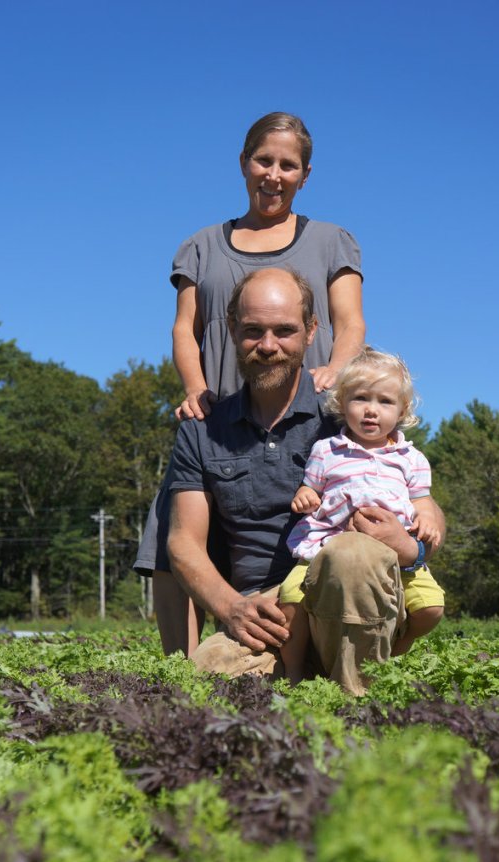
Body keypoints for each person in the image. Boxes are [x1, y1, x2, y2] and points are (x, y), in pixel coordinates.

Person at [134, 111, 365, 656]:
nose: (274, 174)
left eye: (289, 165)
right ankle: (180, 670)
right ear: (244, 164)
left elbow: (351, 322)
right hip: (219, 420)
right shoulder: (202, 246)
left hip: (300, 415)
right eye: (264, 160)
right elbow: (184, 329)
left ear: (304, 175)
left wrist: (337, 369)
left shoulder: (331, 241)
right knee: (175, 533)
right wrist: (195, 388)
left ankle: (323, 651)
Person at [166, 267, 445, 696]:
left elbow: (419, 496)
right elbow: (183, 542)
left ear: (312, 332)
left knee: (350, 553)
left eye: (284, 330)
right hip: (269, 616)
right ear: (232, 328)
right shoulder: (202, 429)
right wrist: (232, 607)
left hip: (349, 591)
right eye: (253, 330)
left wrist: (413, 546)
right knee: (207, 678)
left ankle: (361, 704)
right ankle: (309, 679)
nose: (268, 345)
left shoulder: (346, 413)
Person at [277, 348, 445, 683]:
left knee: (431, 608)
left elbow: (422, 499)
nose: (371, 410)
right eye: (360, 399)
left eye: (384, 401)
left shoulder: (410, 459)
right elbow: (310, 487)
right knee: (290, 600)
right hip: (325, 547)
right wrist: (305, 496)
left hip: (394, 555)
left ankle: (399, 648)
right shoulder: (326, 450)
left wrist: (425, 519)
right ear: (341, 404)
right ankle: (293, 668)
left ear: (402, 410)